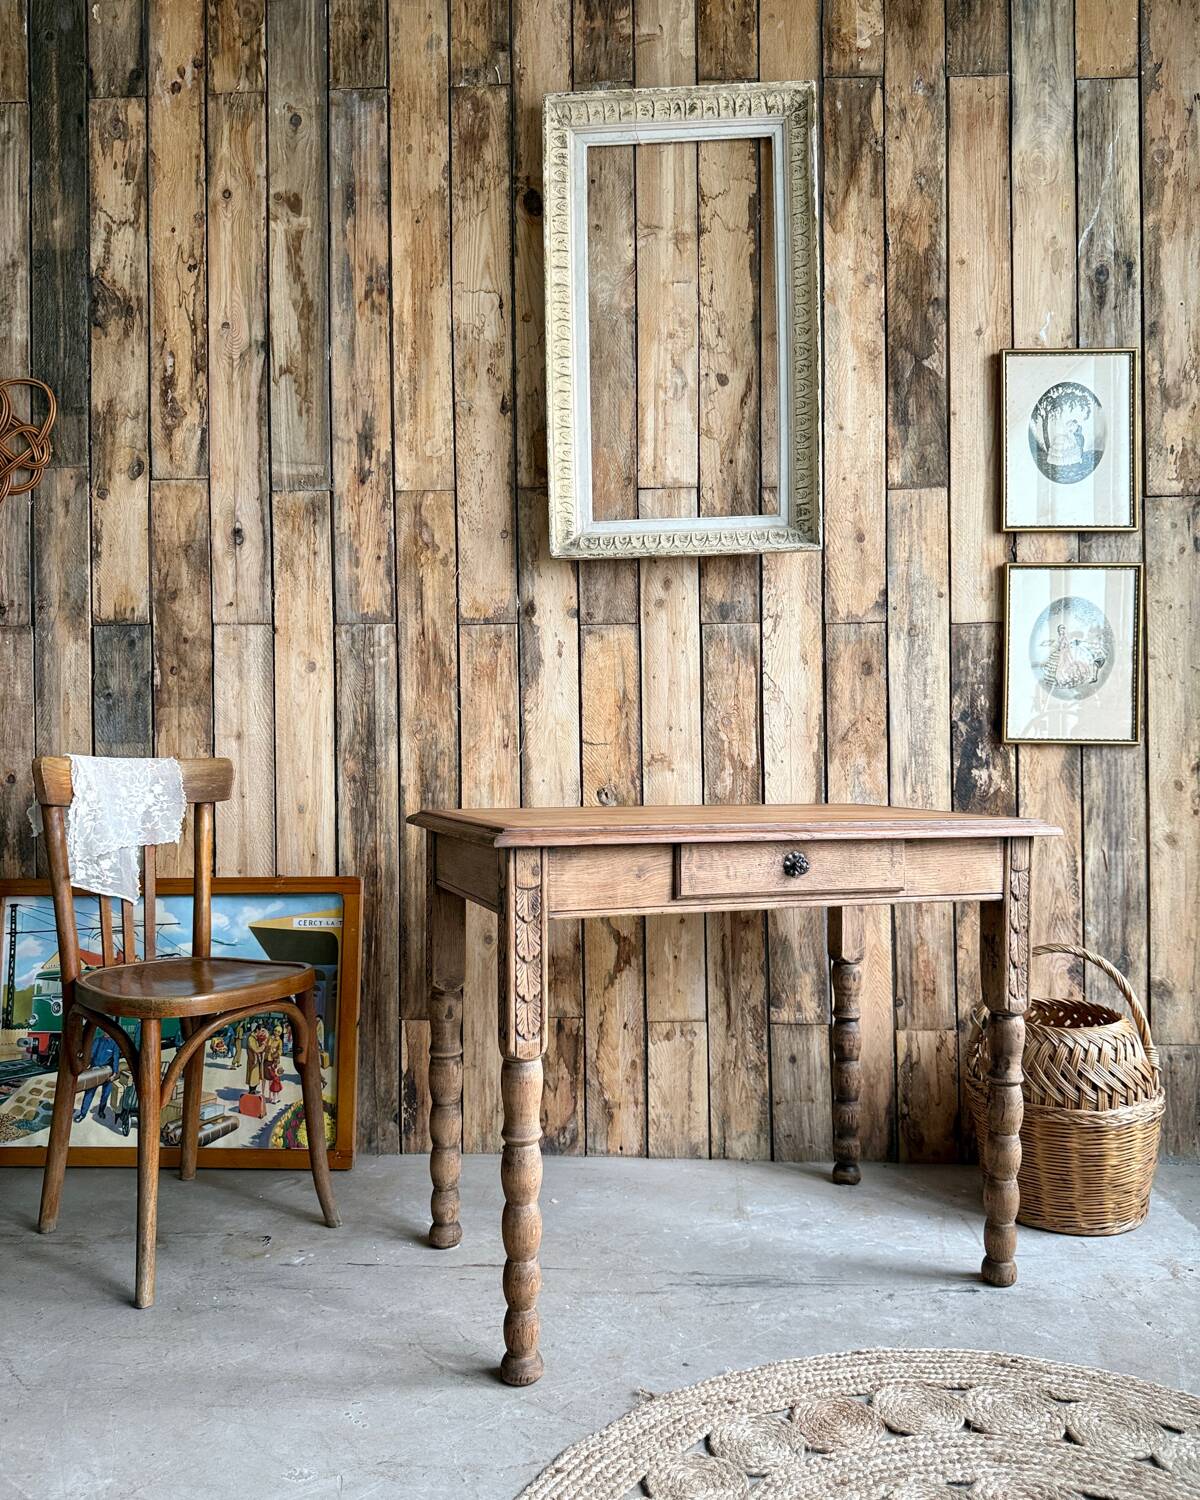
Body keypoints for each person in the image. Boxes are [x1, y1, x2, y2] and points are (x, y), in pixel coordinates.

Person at [74, 1029, 124, 1123]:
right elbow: (91, 1055)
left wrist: (114, 1073)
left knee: (105, 1094)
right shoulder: (97, 1041)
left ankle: (101, 1111)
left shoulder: (114, 1044)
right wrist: (85, 1066)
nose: (106, 1032)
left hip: (108, 1073)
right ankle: (82, 1114)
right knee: (89, 1094)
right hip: (95, 1072)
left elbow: (115, 1059)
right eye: (105, 1030)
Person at [264, 1024, 285, 1104]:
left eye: (278, 1032)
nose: (276, 1032)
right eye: (276, 1030)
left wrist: (275, 1053)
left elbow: (280, 1051)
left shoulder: (279, 1041)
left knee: (274, 1079)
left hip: (274, 1060)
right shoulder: (270, 1038)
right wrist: (269, 1043)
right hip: (268, 1059)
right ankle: (272, 1097)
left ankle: (275, 1097)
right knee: (269, 1078)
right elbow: (266, 1046)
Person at [245, 1024, 268, 1093]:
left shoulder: (256, 1037)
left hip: (257, 1060)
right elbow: (256, 1049)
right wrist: (263, 1045)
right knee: (253, 1076)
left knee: (256, 1076)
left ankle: (253, 1090)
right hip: (253, 1060)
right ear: (257, 1030)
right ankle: (251, 1091)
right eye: (261, 1031)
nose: (262, 1033)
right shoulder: (251, 1038)